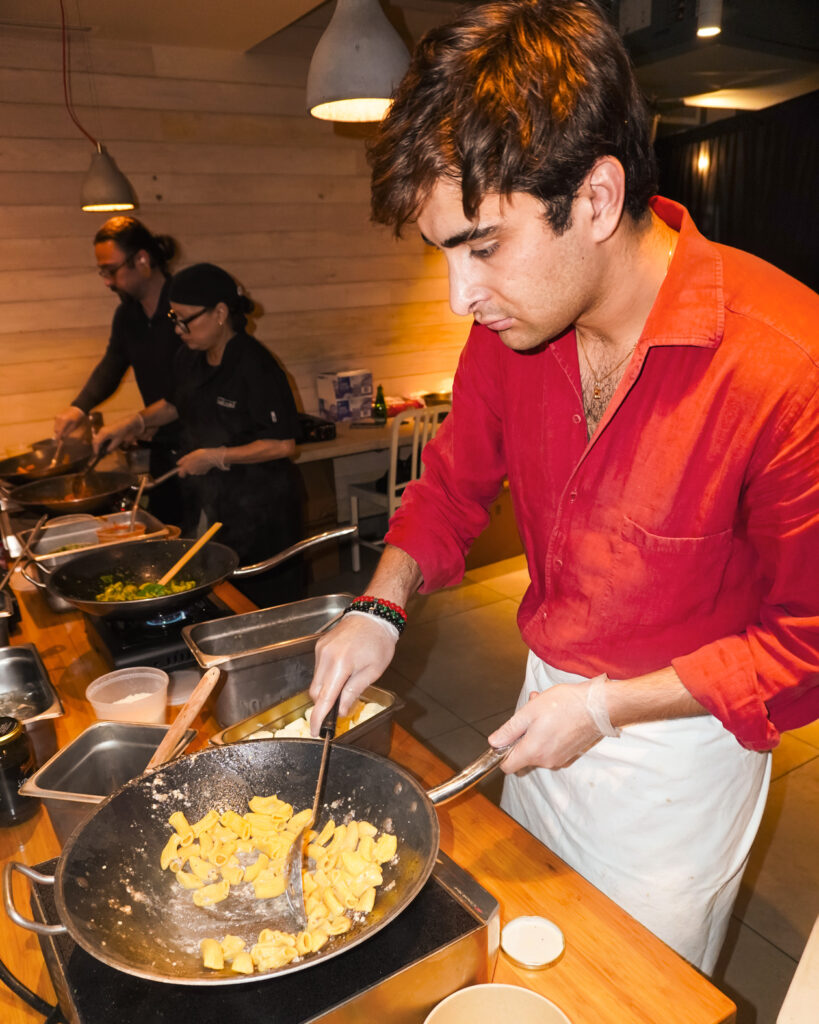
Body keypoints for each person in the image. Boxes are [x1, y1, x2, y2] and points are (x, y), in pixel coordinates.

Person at [308, 0, 819, 974]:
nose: (461, 297)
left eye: (482, 246)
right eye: (441, 252)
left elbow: (807, 643)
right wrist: (382, 600)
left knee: (631, 985)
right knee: (525, 964)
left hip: (679, 749)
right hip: (541, 704)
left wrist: (610, 707)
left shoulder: (787, 365)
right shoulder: (514, 332)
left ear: (594, 197)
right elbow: (452, 484)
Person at [95, 263, 304, 606]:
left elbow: (282, 444)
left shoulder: (255, 365)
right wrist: (133, 422)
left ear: (221, 313)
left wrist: (216, 456)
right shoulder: (189, 358)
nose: (177, 329)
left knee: (262, 600)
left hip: (264, 505)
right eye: (173, 318)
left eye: (185, 319)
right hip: (215, 501)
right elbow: (175, 404)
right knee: (219, 591)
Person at [52, 216, 184, 526]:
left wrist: (133, 423)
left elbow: (189, 390)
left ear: (142, 259)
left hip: (205, 446)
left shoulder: (186, 306)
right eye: (102, 272)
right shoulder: (128, 315)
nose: (107, 281)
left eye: (111, 270)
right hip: (162, 447)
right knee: (168, 534)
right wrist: (78, 407)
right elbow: (113, 363)